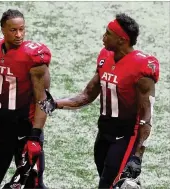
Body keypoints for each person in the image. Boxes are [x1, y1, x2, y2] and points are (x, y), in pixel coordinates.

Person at [39, 13, 159, 188]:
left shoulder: (141, 68)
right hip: (103, 132)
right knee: (108, 180)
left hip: (126, 136)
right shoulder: (105, 56)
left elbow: (147, 116)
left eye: (108, 33)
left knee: (106, 185)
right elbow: (88, 94)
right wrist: (56, 103)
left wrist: (138, 156)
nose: (104, 36)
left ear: (121, 40)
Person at [0, 9, 51, 189]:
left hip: (25, 128)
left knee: (33, 183)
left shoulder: (33, 57)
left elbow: (43, 100)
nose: (19, 34)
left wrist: (35, 137)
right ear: (3, 30)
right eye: (13, 30)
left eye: (22, 29)